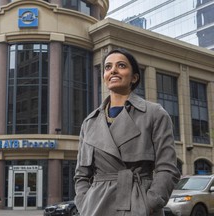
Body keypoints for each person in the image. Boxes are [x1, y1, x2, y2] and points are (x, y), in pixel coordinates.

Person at [74, 48, 181, 216]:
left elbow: (167, 168)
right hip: (95, 207)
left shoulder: (154, 114)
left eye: (121, 65)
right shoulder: (89, 122)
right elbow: (81, 175)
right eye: (108, 67)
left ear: (134, 77)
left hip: (138, 203)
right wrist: (84, 202)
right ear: (104, 76)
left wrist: (150, 204)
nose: (113, 70)